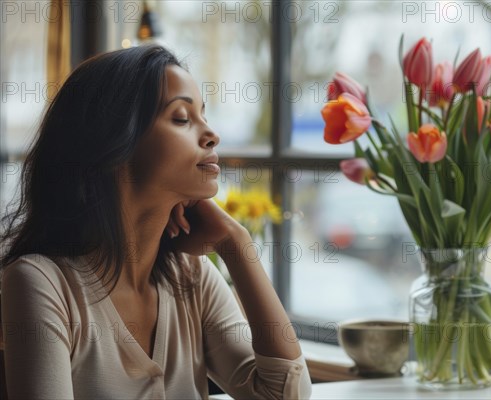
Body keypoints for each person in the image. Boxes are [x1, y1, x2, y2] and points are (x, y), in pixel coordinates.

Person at [0, 45, 312, 399]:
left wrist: (235, 243)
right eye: (181, 118)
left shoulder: (191, 276)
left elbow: (286, 394)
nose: (212, 135)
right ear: (114, 141)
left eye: (204, 116)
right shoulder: (41, 283)